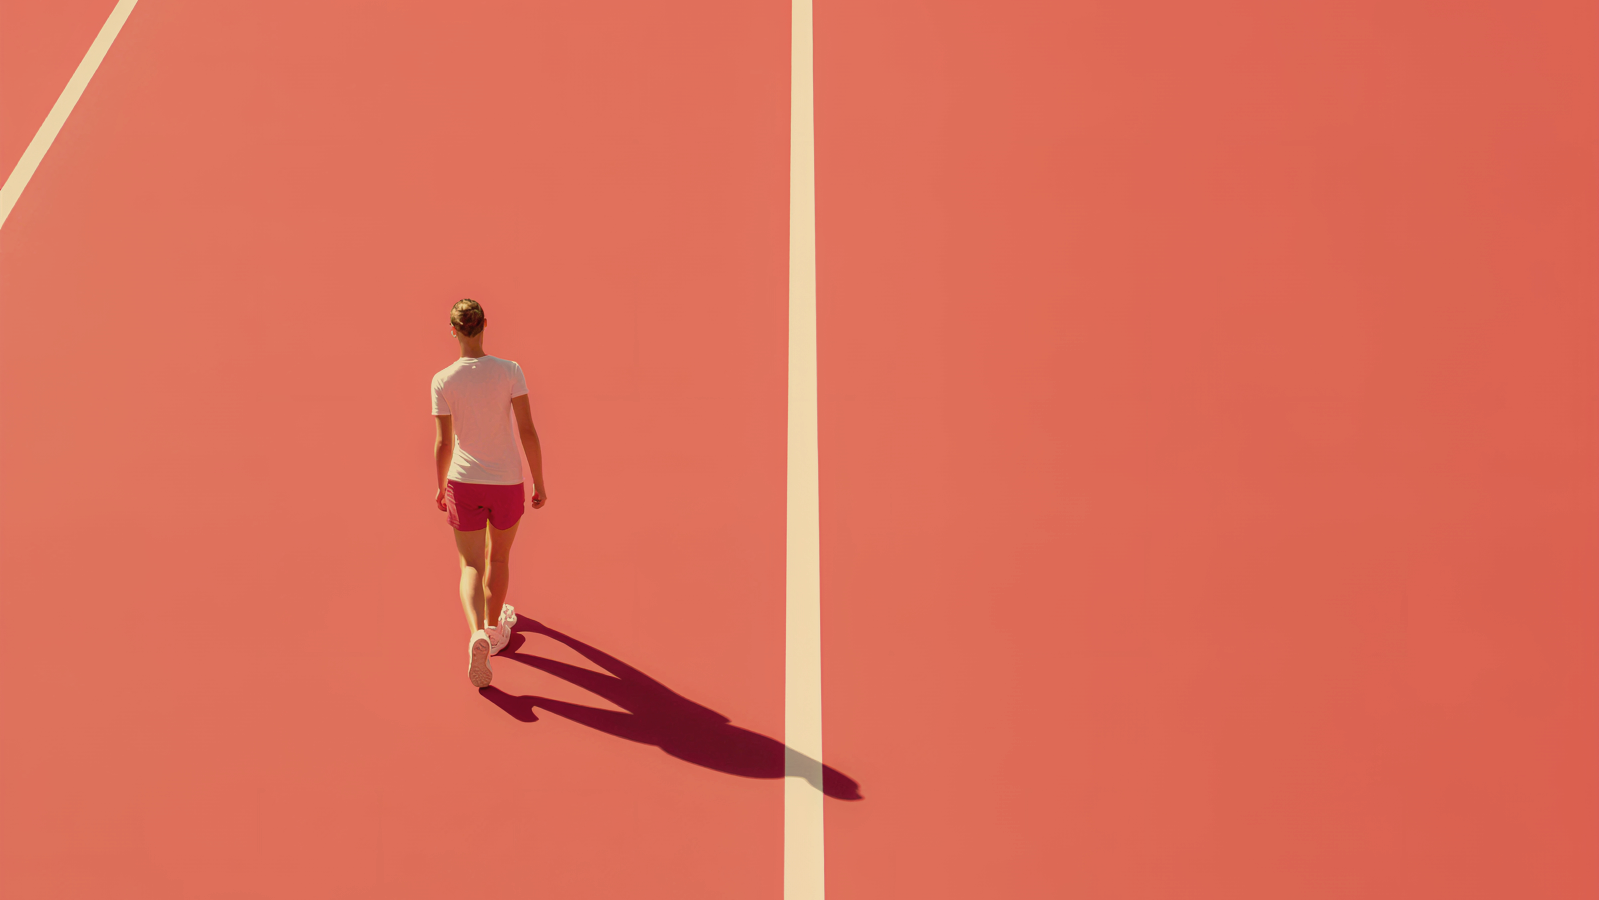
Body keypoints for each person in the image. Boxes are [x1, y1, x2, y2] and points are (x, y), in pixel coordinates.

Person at [431, 298, 547, 688]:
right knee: (498, 558)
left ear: (454, 331)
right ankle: (494, 630)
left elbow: (443, 442)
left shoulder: (443, 380)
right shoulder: (510, 371)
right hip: (506, 481)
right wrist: (540, 482)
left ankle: (475, 632)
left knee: (470, 565)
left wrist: (440, 483)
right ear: (485, 326)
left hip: (464, 480)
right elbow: (528, 431)